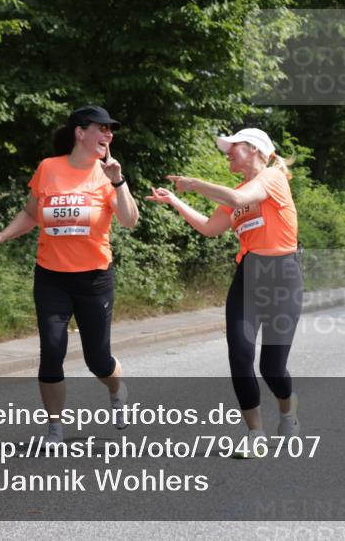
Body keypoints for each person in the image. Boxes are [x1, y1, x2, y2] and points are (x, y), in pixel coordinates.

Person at [0, 105, 139, 444]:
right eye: (102, 128)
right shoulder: (48, 169)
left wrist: (118, 181)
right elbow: (32, 213)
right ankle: (55, 427)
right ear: (80, 132)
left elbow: (129, 220)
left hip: (94, 278)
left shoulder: (108, 176)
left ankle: (116, 387)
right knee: (51, 349)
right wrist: (3, 235)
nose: (109, 134)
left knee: (98, 360)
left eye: (111, 130)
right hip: (51, 276)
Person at [147, 128, 301, 458]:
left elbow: (238, 200)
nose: (228, 152)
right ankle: (255, 433)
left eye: (234, 147)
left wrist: (194, 184)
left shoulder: (273, 177)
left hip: (283, 276)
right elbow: (209, 228)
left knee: (273, 367)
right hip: (248, 276)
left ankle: (288, 412)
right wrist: (176, 200)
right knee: (240, 356)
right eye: (227, 147)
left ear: (257, 150)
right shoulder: (239, 192)